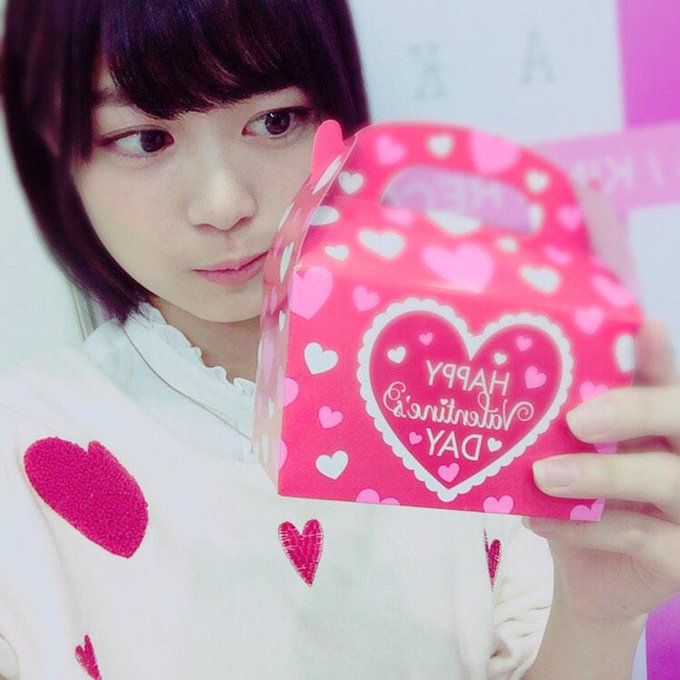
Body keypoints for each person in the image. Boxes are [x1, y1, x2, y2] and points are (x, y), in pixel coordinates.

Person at [1, 0, 678, 678]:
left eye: (275, 121)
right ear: (58, 150)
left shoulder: (471, 399)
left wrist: (596, 619)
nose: (223, 204)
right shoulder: (23, 450)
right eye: (146, 140)